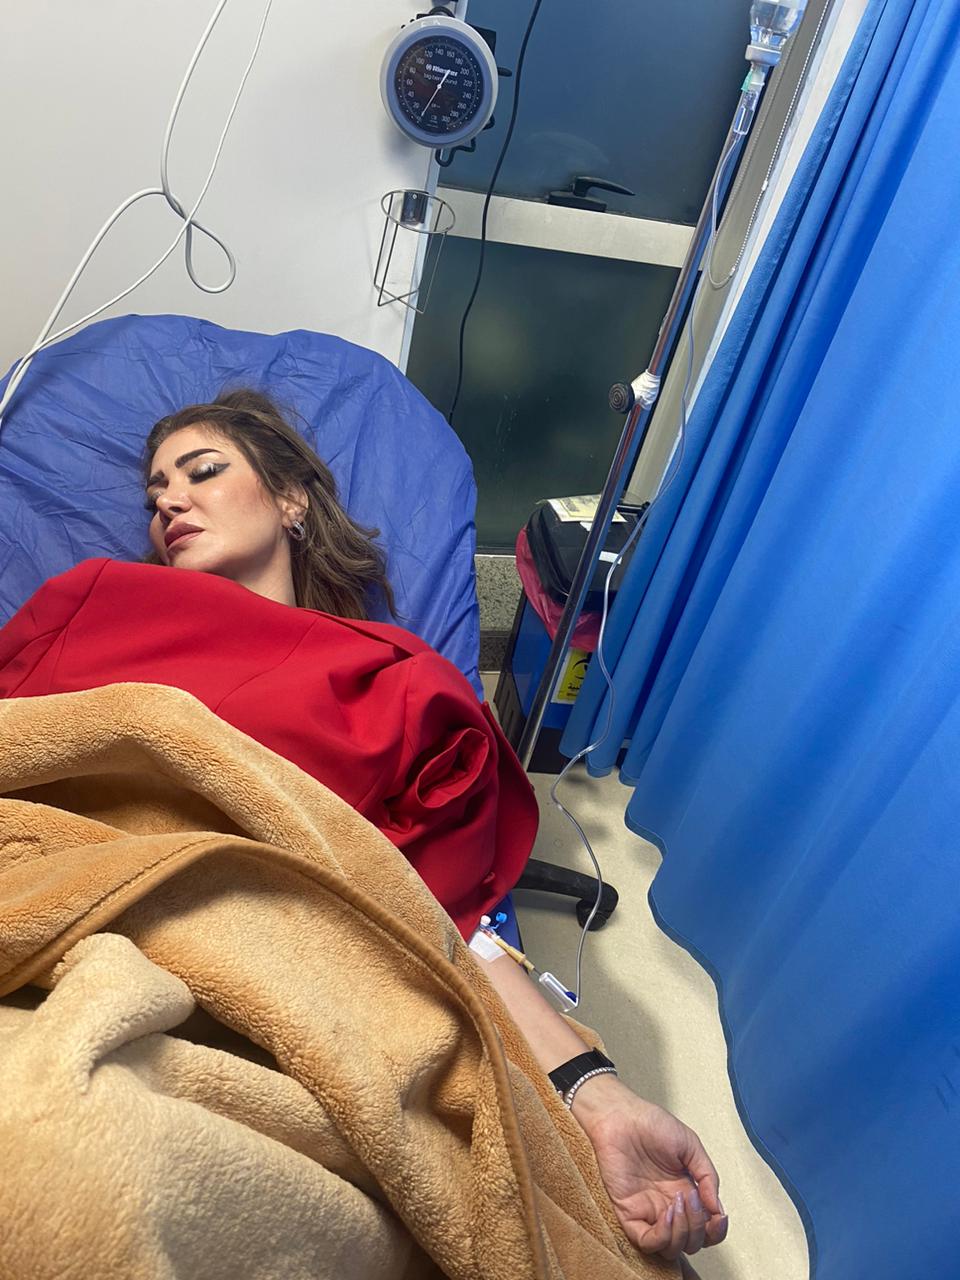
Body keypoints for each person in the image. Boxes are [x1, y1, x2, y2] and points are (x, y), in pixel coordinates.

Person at [0, 388, 728, 1264]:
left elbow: (434, 917)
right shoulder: (96, 601)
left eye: (202, 472)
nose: (169, 504)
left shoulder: (394, 677)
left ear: (291, 500)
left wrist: (592, 1090)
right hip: (69, 903)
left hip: (302, 967)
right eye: (155, 494)